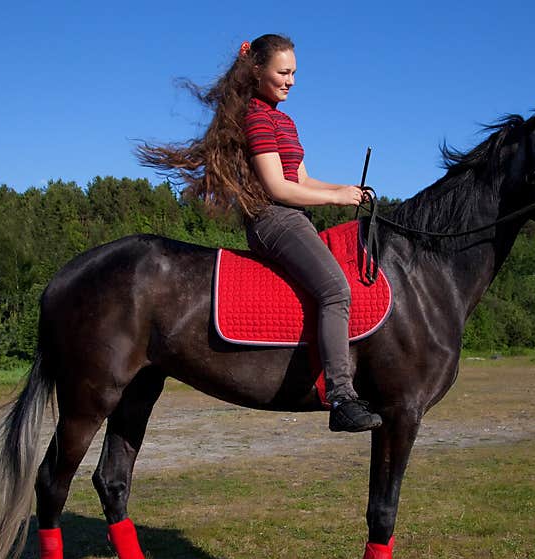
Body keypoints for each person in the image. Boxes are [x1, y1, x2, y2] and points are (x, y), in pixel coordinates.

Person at [136, 33, 382, 432]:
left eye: (295, 73)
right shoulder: (255, 117)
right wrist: (337, 202)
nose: (291, 81)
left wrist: (344, 190)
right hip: (272, 220)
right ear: (257, 70)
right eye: (283, 72)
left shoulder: (284, 120)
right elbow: (278, 188)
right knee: (336, 290)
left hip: (295, 218)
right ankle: (341, 396)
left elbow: (301, 177)